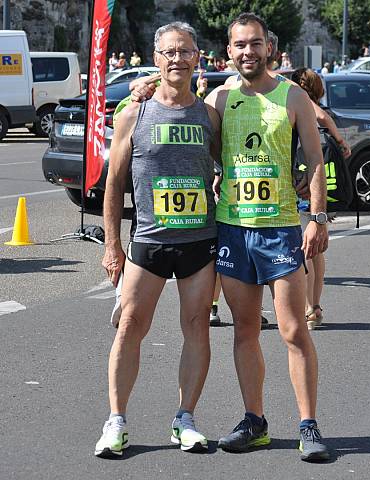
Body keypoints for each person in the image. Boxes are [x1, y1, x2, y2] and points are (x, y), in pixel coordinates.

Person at [205, 13, 330, 462]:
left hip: (279, 229)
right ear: (228, 51)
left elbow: (314, 158)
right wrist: (139, 93)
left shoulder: (292, 95)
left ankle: (309, 425)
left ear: (269, 47)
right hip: (234, 229)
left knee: (294, 330)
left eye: (255, 44)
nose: (247, 52)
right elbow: (185, 123)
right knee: (244, 329)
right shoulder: (218, 98)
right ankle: (254, 420)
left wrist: (318, 216)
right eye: (239, 45)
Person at [94, 21, 221, 458]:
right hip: (147, 241)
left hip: (199, 243)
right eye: (169, 52)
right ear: (156, 57)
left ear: (197, 58)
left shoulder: (209, 115)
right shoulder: (135, 112)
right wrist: (113, 246)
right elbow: (113, 183)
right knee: (129, 327)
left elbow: (231, 167)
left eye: (185, 52)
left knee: (196, 328)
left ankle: (185, 418)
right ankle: (116, 421)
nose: (177, 60)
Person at [291, 67, 351, 329]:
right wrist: (340, 141)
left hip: (305, 182)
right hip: (324, 183)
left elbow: (321, 116)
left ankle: (308, 307)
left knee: (306, 245)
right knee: (316, 250)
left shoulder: (303, 103)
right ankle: (315, 305)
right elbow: (326, 117)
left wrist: (339, 138)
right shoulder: (317, 105)